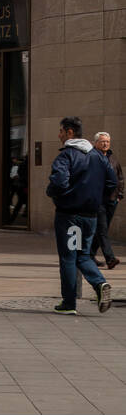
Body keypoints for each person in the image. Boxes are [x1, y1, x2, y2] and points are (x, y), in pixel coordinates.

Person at [46, 117, 116, 314]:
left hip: (70, 215)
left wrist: (54, 194)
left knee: (69, 257)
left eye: (61, 131)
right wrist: (96, 199)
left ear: (69, 132)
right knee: (83, 255)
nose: (58, 135)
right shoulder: (99, 156)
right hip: (91, 215)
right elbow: (111, 182)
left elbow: (59, 182)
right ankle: (100, 284)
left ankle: (69, 303)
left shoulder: (66, 156)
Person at [92, 132, 122, 269]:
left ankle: (89, 255)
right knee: (102, 230)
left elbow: (120, 178)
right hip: (98, 200)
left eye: (107, 142)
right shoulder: (92, 157)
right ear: (96, 143)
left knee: (101, 230)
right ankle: (110, 259)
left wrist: (120, 194)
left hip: (112, 200)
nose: (105, 144)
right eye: (102, 141)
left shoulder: (113, 159)